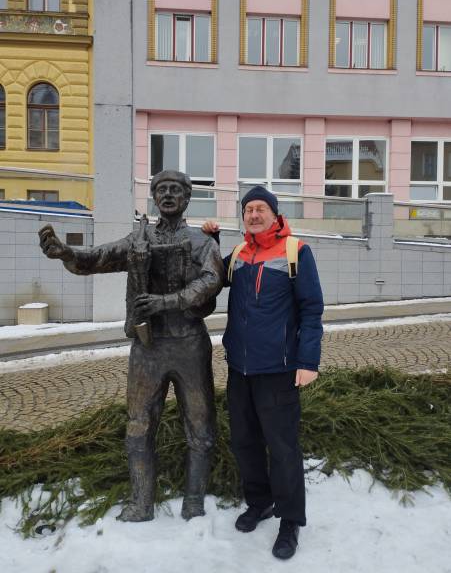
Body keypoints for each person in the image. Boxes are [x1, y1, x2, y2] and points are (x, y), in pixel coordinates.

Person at [39, 170, 224, 522]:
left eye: (175, 189)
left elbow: (212, 281)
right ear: (153, 197)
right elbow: (98, 257)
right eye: (161, 189)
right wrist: (66, 253)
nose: (167, 195)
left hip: (189, 346)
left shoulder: (202, 243)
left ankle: (194, 501)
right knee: (139, 426)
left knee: (200, 427)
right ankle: (141, 503)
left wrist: (166, 302)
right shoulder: (138, 239)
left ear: (187, 198)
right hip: (147, 347)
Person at [203, 185, 323, 560]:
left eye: (260, 209)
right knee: (245, 441)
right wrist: (212, 242)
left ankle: (290, 521)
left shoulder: (296, 251)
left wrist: (308, 362)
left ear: (274, 214)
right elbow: (212, 278)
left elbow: (312, 309)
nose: (254, 215)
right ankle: (260, 502)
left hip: (279, 369)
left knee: (283, 448)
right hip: (240, 369)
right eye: (248, 210)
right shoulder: (239, 253)